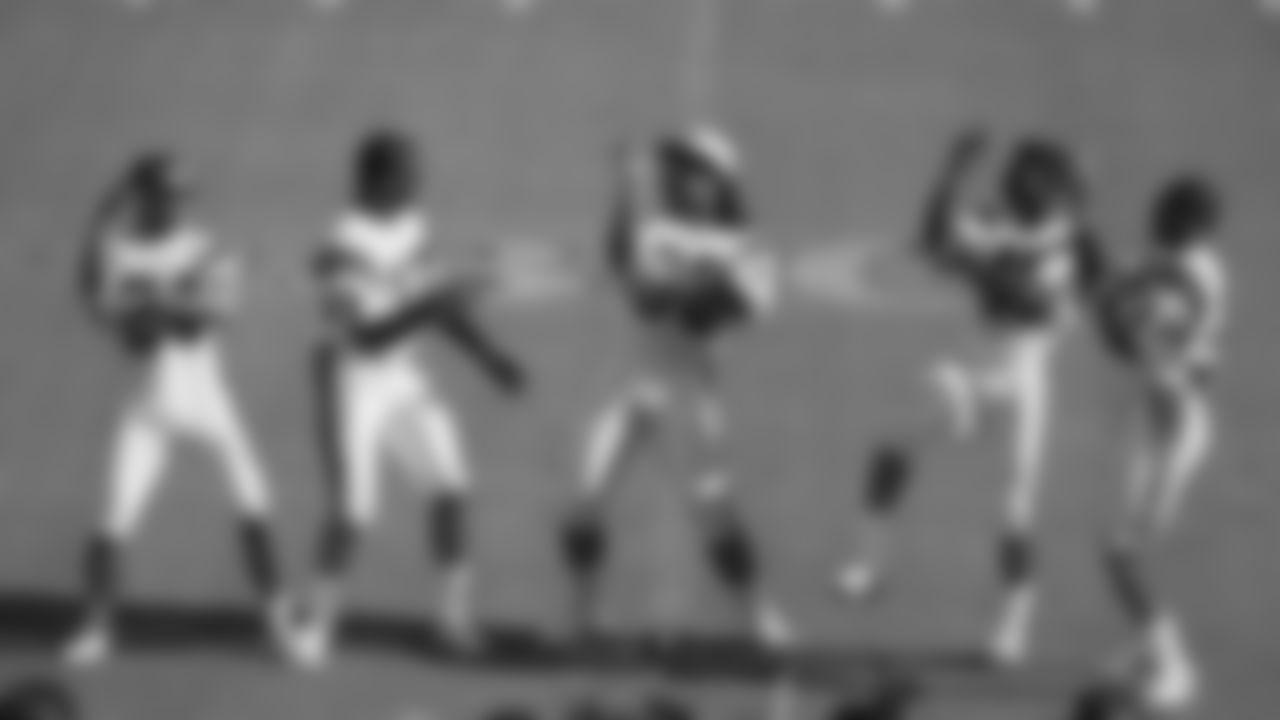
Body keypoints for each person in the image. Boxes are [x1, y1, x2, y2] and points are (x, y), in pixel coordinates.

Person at [292, 127, 526, 668]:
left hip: (404, 377)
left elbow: (437, 305)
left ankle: (453, 622)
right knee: (355, 510)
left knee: (451, 486)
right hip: (352, 380)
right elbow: (366, 337)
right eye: (407, 173)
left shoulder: (414, 227)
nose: (419, 181)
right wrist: (433, 303)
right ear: (377, 179)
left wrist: (489, 358)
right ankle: (315, 624)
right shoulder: (338, 250)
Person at [562, 124, 789, 647]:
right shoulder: (654, 231)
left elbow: (714, 316)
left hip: (686, 389)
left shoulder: (748, 248)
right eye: (673, 166)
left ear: (719, 183)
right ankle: (581, 608)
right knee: (582, 503)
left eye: (690, 168)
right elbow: (627, 272)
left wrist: (689, 290)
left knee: (715, 515)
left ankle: (755, 613)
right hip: (622, 380)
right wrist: (622, 185)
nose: (675, 175)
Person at [63, 151, 289, 668]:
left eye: (183, 194)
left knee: (254, 508)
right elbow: (111, 317)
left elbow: (203, 325)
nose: (180, 203)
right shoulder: (119, 250)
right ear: (143, 196)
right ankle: (95, 628)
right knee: (113, 519)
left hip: (210, 406)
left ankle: (279, 624)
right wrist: (100, 223)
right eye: (169, 193)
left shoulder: (205, 248)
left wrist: (155, 305)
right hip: (148, 409)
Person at [917, 130, 1107, 666]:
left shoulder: (1071, 238)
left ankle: (1014, 621)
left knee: (1014, 514)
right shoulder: (997, 220)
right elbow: (936, 241)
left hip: (1026, 384)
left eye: (1042, 179)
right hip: (974, 368)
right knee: (922, 411)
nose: (1030, 187)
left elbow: (1061, 295)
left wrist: (1054, 289)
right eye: (1026, 176)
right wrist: (949, 174)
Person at [1093, 175, 1228, 712]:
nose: (1151, 221)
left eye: (1163, 215)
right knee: (1117, 548)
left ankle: (1173, 664)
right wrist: (1116, 286)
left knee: (1121, 553)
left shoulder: (1178, 284)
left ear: (1184, 225)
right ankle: (1149, 644)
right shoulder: (1196, 265)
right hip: (1150, 421)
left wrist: (1111, 294)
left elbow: (1131, 338)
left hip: (1171, 432)